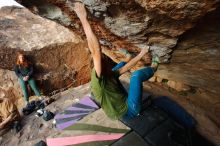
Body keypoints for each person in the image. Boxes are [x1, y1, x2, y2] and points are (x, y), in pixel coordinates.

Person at [72, 2, 159, 120]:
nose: (109, 64)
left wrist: (141, 54)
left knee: (122, 65)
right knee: (136, 76)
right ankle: (153, 68)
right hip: (128, 111)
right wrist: (83, 18)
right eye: (105, 63)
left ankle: (127, 56)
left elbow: (126, 68)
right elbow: (95, 51)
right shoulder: (98, 82)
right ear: (100, 67)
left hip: (119, 105)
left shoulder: (108, 74)